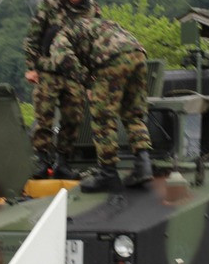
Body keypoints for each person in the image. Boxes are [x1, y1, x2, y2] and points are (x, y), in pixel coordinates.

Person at [46, 18, 153, 193]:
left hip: (111, 58)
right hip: (138, 53)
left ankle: (108, 175)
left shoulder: (58, 38)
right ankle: (143, 165)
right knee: (133, 114)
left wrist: (88, 81)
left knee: (103, 118)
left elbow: (64, 59)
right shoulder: (87, 26)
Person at [23, 0, 101, 179]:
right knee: (44, 116)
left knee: (73, 118)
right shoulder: (51, 4)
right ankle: (41, 159)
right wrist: (31, 67)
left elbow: (96, 43)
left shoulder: (92, 10)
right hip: (48, 69)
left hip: (74, 72)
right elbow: (33, 36)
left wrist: (92, 77)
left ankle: (63, 161)